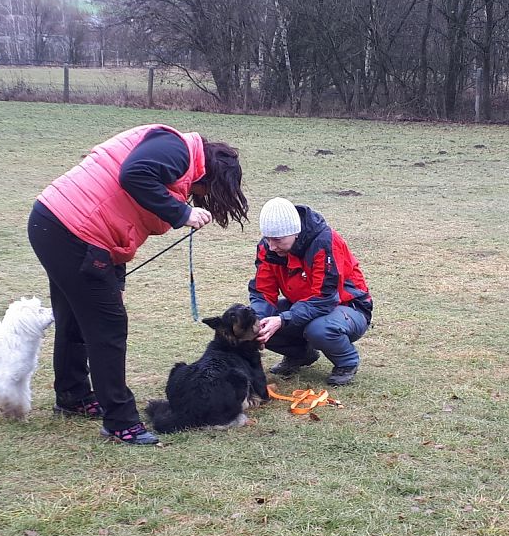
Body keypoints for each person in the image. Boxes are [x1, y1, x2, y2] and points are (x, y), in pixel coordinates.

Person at [28, 124, 248, 445]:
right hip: (72, 230)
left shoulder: (175, 154)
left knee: (74, 317)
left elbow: (121, 218)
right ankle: (120, 422)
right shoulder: (178, 151)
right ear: (210, 176)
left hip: (54, 222)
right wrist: (181, 212)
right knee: (109, 327)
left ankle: (73, 396)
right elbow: (133, 174)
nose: (203, 198)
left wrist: (115, 274)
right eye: (210, 192)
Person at [249, 198, 372, 386]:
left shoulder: (324, 243)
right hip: (303, 304)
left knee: (319, 329)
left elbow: (325, 298)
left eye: (277, 240)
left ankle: (346, 362)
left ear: (295, 233)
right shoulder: (268, 248)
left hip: (347, 306)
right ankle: (300, 355)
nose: (271, 246)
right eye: (267, 238)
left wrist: (283, 320)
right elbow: (262, 291)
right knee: (257, 324)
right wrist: (258, 321)